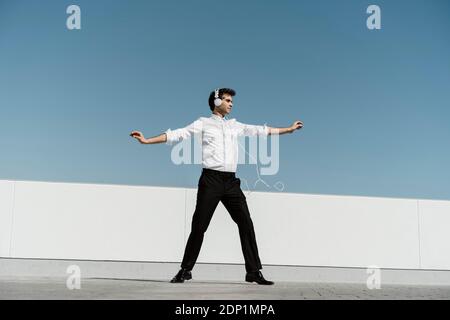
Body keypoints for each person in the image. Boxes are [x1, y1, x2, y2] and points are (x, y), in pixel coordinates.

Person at [130, 88, 303, 285]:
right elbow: (178, 134)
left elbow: (259, 130)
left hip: (231, 183)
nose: (231, 103)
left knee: (246, 223)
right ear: (216, 101)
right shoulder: (202, 123)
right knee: (199, 227)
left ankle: (253, 272)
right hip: (210, 181)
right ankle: (185, 270)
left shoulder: (234, 125)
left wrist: (288, 130)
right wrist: (146, 141)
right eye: (227, 100)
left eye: (232, 101)